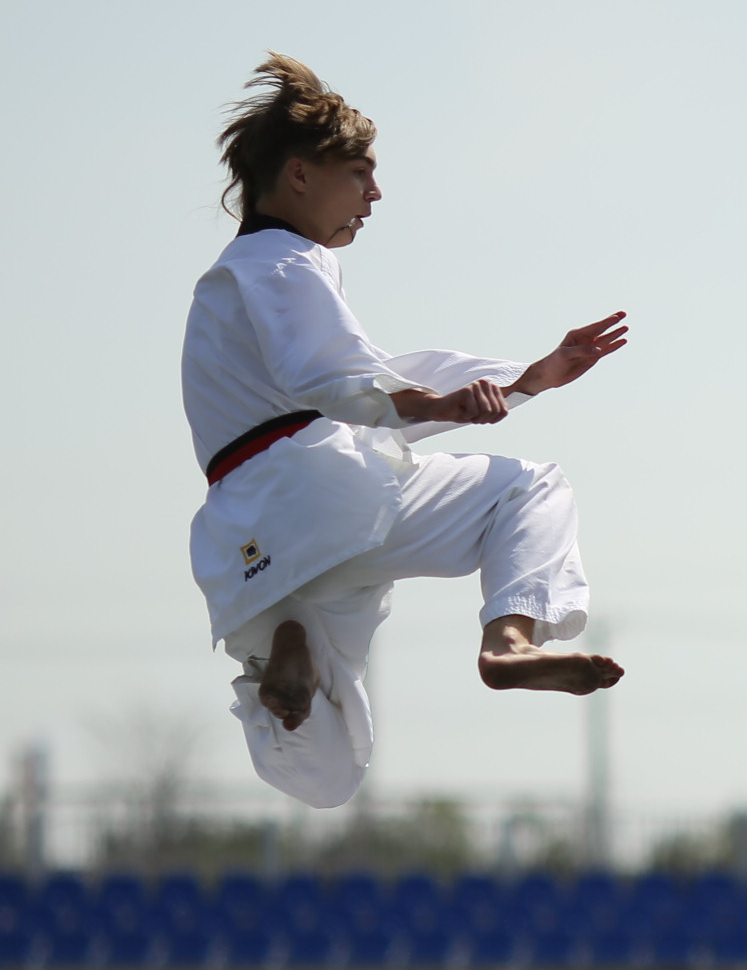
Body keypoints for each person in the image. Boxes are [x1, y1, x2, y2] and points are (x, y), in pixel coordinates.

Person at [183, 54, 626, 810]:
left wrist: (523, 378)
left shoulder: (233, 281)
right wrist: (439, 405)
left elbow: (357, 373)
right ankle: (510, 640)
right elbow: (333, 376)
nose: (375, 193)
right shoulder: (287, 262)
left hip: (252, 539)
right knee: (530, 487)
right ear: (298, 175)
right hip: (322, 493)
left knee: (326, 769)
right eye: (359, 172)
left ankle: (286, 646)